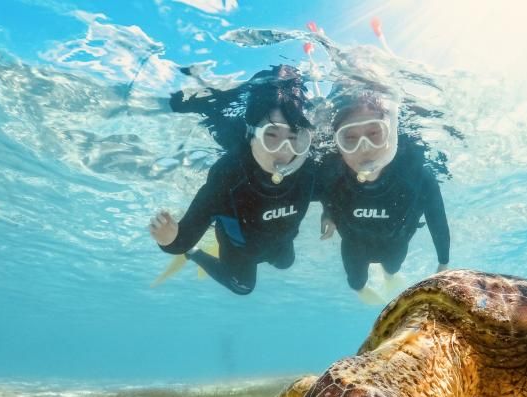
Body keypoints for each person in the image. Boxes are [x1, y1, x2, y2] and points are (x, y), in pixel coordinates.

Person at [149, 65, 317, 295]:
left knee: (286, 263)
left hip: (280, 245)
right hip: (239, 250)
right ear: (251, 134)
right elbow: (181, 241)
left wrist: (331, 211)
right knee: (243, 287)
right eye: (271, 135)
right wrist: (168, 239)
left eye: (293, 138)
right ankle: (196, 255)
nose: (284, 150)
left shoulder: (308, 169)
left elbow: (336, 190)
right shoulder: (228, 177)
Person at [317, 83, 450, 304]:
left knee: (392, 267)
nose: (364, 147)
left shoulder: (417, 176)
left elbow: (437, 218)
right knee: (356, 282)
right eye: (349, 138)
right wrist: (327, 213)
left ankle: (389, 277)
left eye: (374, 133)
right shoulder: (332, 174)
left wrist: (443, 263)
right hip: (354, 247)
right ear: (338, 145)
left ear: (391, 132)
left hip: (396, 245)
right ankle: (362, 290)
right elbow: (326, 193)